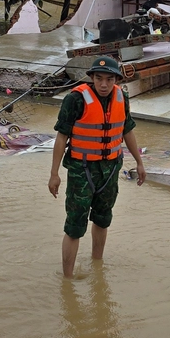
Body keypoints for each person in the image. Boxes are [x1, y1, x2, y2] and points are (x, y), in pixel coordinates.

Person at [49, 55, 146, 278]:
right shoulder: (75, 100)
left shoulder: (122, 97)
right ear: (92, 78)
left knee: (103, 219)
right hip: (81, 170)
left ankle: (97, 268)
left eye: (109, 79)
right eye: (99, 78)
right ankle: (68, 280)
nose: (104, 84)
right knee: (74, 226)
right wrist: (54, 174)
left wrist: (139, 163)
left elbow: (127, 130)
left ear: (116, 80)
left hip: (110, 169)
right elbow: (62, 137)